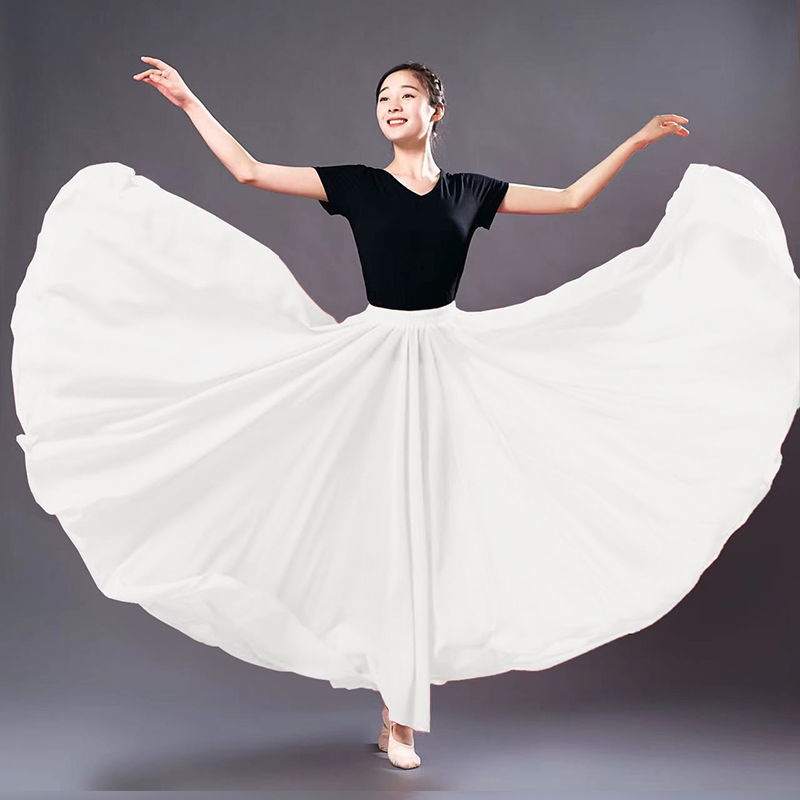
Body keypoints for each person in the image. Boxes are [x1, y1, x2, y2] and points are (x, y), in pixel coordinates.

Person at [10, 58, 798, 771]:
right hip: (375, 362)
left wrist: (637, 140)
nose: (392, 105)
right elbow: (249, 172)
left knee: (432, 531)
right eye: (384, 97)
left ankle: (400, 714)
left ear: (435, 111)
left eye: (407, 95)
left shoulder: (470, 192)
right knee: (382, 530)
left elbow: (568, 198)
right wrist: (189, 102)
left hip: (449, 361)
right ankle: (396, 708)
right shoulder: (356, 183)